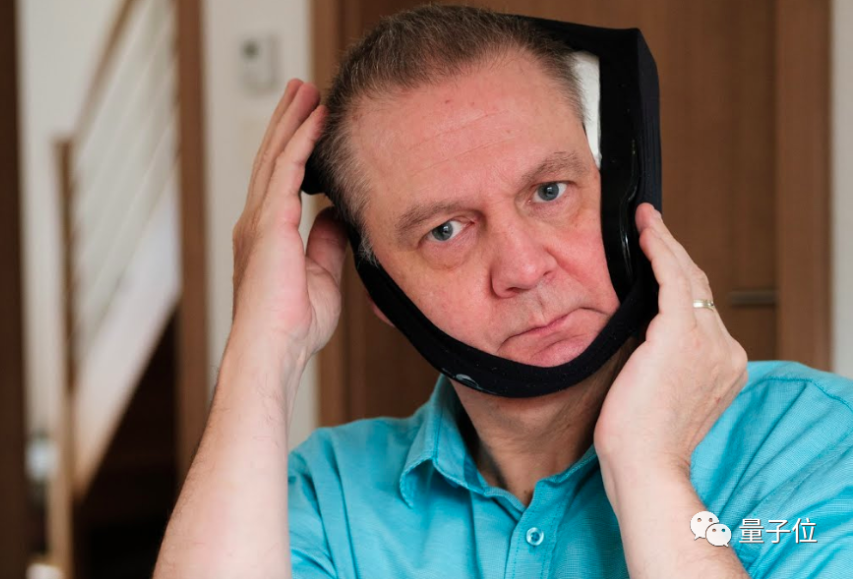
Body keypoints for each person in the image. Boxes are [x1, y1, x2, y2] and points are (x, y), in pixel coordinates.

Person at [154, 6, 853, 578]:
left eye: (550, 191)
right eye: (446, 230)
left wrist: (650, 471)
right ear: (383, 294)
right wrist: (262, 346)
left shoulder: (813, 441)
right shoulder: (329, 495)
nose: (522, 267)